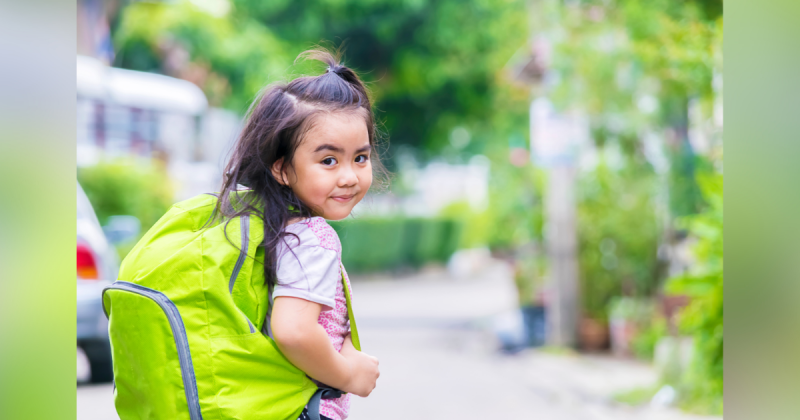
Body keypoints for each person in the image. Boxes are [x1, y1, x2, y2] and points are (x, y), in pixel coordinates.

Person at [213, 48, 382, 420]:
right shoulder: (312, 239)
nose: (350, 176)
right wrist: (349, 374)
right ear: (282, 170)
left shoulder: (260, 225)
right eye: (328, 161)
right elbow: (293, 331)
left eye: (360, 157)